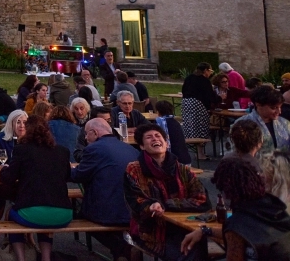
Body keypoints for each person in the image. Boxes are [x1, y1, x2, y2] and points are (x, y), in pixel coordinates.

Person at [125, 124, 210, 261]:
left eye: (158, 136)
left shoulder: (182, 169)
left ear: (166, 142)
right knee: (188, 253)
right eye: (149, 137)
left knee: (195, 245)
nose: (154, 138)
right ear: (141, 146)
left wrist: (166, 204)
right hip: (151, 231)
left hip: (185, 227)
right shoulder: (134, 169)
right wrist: (150, 206)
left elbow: (202, 199)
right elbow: (135, 201)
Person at [182, 157, 290, 260]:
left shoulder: (237, 223)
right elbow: (248, 233)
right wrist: (205, 231)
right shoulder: (271, 204)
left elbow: (236, 240)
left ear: (227, 191)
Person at [0, 115, 72, 261]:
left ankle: (21, 258)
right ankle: (46, 258)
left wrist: (3, 169)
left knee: (12, 214)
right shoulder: (62, 151)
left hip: (32, 211)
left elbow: (8, 178)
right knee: (43, 212)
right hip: (64, 213)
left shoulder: (22, 150)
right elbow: (67, 176)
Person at [72, 117, 140, 260]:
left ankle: (122, 249)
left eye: (86, 134)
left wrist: (61, 168)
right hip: (132, 210)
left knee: (80, 217)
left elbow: (79, 175)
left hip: (107, 209)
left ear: (94, 132)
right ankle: (124, 251)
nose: (85, 138)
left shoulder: (93, 149)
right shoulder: (131, 149)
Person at [235, 84, 290, 154]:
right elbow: (237, 155)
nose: (279, 111)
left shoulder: (285, 123)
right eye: (273, 108)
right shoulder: (242, 125)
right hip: (254, 164)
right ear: (258, 104)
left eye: (280, 107)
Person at [181, 62, 218, 139]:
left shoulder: (189, 78)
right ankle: (200, 144)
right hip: (198, 105)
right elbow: (209, 96)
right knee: (200, 126)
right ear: (205, 70)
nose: (210, 73)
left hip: (186, 103)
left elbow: (183, 90)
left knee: (190, 124)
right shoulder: (205, 81)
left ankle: (191, 141)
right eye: (210, 71)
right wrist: (219, 99)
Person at [155, 100, 193, 165]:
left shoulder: (160, 123)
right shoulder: (175, 122)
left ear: (158, 111)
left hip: (174, 162)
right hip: (186, 159)